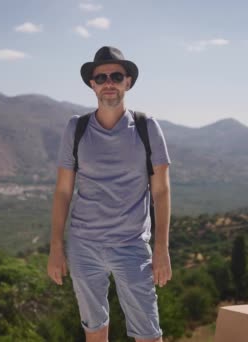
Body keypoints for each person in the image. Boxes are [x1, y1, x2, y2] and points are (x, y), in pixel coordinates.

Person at [47, 46, 172, 342]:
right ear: (92, 85)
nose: (109, 82)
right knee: (94, 331)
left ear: (128, 81)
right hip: (83, 245)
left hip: (131, 245)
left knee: (148, 334)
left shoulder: (146, 127)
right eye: (101, 77)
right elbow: (63, 191)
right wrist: (55, 247)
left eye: (116, 75)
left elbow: (162, 190)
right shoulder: (76, 128)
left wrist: (162, 248)